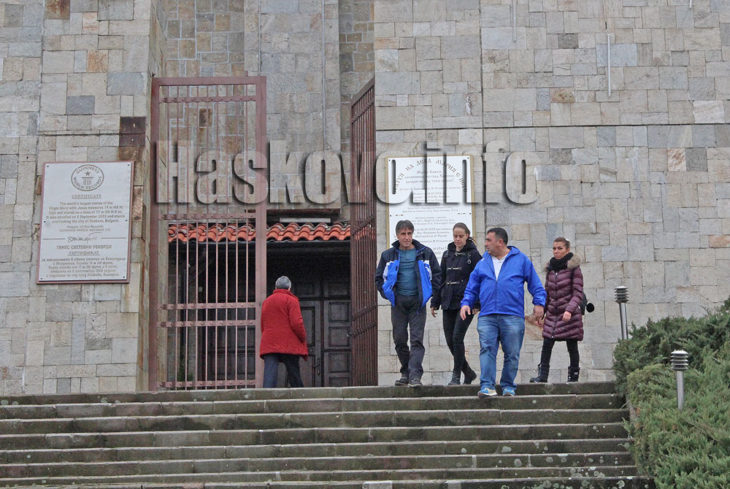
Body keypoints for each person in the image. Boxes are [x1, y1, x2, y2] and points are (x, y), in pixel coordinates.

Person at [460, 227, 546, 397]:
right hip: (487, 315)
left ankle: (508, 386)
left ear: (500, 242)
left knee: (512, 353)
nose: (485, 244)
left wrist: (539, 303)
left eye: (488, 240)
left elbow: (536, 285)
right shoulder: (482, 263)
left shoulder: (521, 260)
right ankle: (487, 386)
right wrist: (466, 303)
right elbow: (471, 287)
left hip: (512, 315)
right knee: (487, 349)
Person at [375, 219, 441, 387]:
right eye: (403, 234)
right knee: (399, 339)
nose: (406, 237)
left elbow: (437, 275)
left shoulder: (425, 253)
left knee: (416, 340)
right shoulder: (388, 255)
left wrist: (431, 296)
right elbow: (378, 278)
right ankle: (406, 371)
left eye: (409, 233)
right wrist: (388, 295)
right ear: (397, 235)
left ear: (413, 234)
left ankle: (415, 376)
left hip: (417, 304)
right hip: (398, 304)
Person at [430, 223, 481, 385]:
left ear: (467, 236)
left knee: (457, 337)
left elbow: (480, 279)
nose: (457, 239)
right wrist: (435, 301)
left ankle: (456, 375)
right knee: (450, 340)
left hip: (466, 303)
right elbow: (441, 279)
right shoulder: (447, 254)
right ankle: (469, 373)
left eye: (461, 236)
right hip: (448, 301)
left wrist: (477, 303)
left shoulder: (474, 255)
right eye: (455, 236)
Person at [531, 237, 584, 383]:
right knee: (547, 344)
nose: (556, 251)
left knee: (572, 345)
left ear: (567, 249)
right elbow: (547, 292)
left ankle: (573, 377)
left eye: (560, 248)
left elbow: (578, 292)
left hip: (569, 314)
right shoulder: (551, 268)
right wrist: (542, 312)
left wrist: (569, 310)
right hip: (553, 314)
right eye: (554, 248)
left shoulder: (574, 268)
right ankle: (542, 376)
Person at [259, 276, 308, 388]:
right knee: (293, 372)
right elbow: (296, 323)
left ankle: (267, 396)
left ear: (276, 287)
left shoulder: (266, 302)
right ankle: (299, 394)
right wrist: (302, 337)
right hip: (288, 342)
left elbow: (263, 324)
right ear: (289, 288)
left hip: (270, 342)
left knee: (269, 373)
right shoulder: (291, 300)